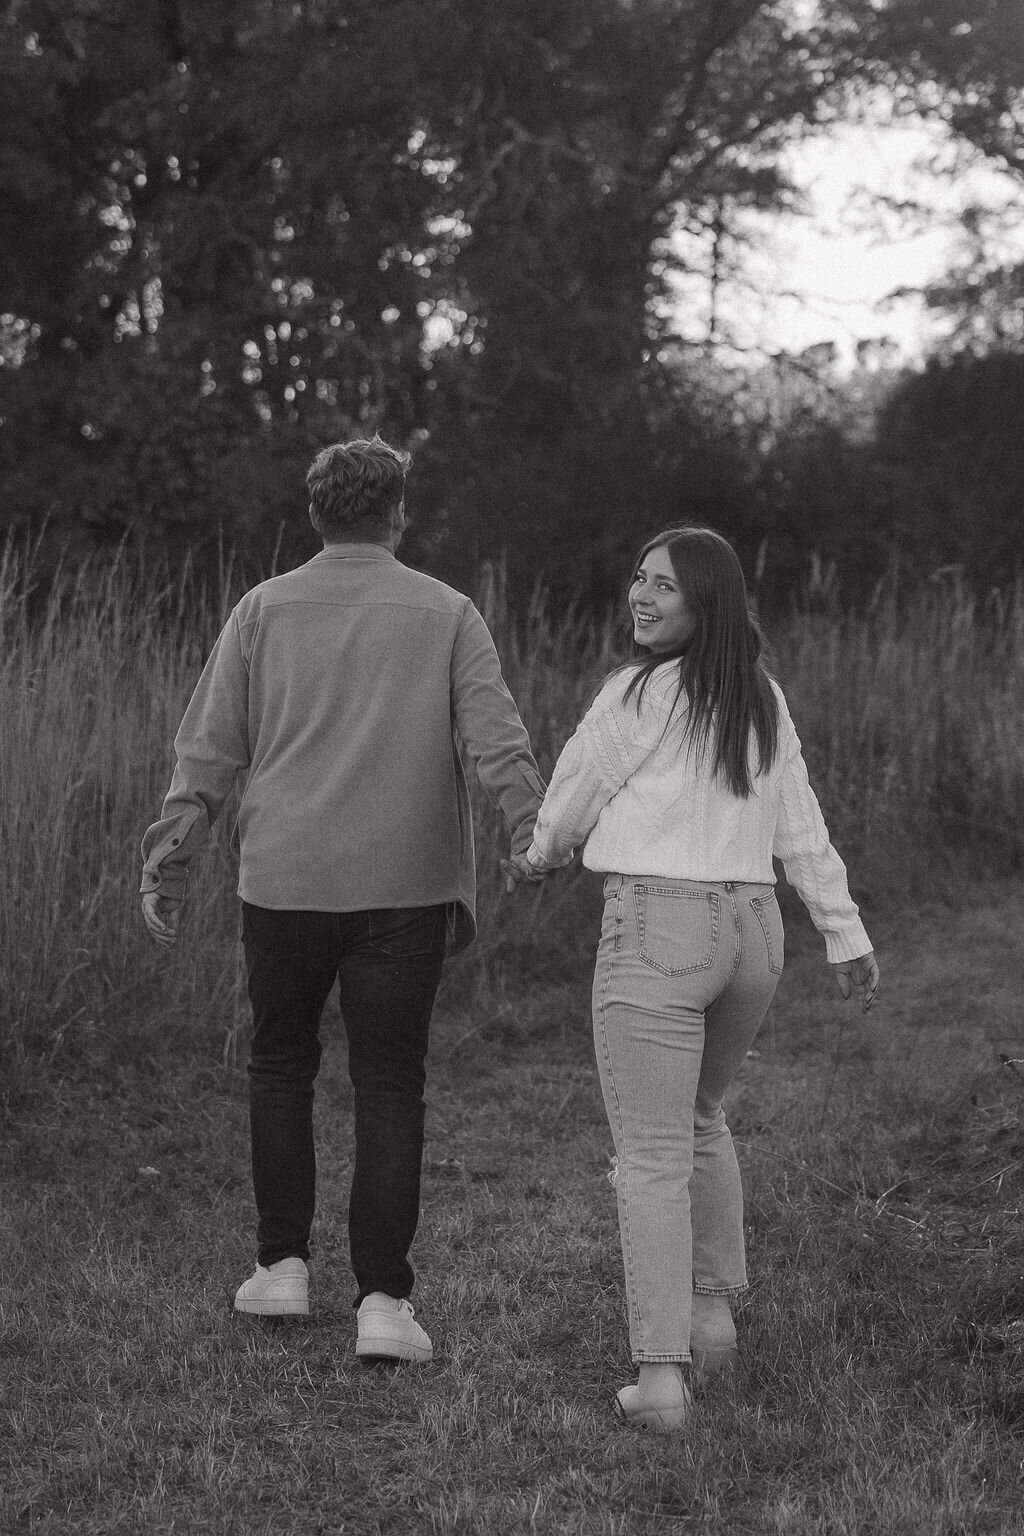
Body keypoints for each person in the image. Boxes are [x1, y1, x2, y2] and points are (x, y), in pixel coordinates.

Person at [141, 435, 545, 1363]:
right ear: (398, 514)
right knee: (390, 1082)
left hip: (284, 883)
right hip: (405, 889)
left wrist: (168, 855)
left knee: (282, 1063)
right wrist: (532, 831)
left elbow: (207, 750)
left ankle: (281, 1268)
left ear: (316, 515)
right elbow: (498, 738)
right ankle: (383, 1307)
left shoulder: (263, 609)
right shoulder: (447, 612)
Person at [506, 526, 879, 1432]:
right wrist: (842, 929)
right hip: (755, 932)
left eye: (664, 587)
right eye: (637, 578)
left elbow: (575, 790)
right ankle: (712, 1322)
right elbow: (800, 824)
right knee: (702, 1118)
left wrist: (538, 852)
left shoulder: (635, 693)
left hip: (664, 927)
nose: (641, 596)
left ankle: (661, 1378)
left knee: (652, 1154)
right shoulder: (760, 698)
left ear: (704, 602)